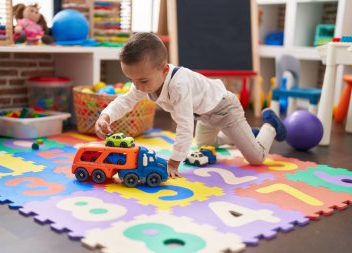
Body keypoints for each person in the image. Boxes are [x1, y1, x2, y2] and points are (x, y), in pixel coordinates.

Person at [95, 32, 286, 178]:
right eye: (131, 79)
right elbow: (125, 100)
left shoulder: (179, 85)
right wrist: (106, 116)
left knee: (256, 158)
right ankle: (245, 135)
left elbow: (184, 126)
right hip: (203, 115)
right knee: (204, 145)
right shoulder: (143, 82)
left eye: (143, 81)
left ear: (164, 70)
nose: (137, 86)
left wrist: (173, 163)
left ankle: (270, 126)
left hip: (226, 111)